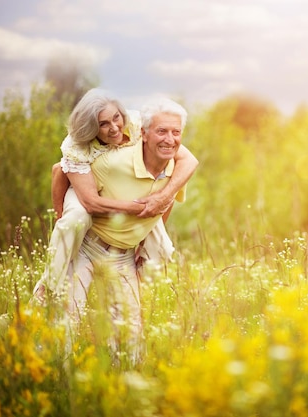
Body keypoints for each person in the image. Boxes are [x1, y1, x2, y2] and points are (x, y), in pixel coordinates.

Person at [33, 89, 198, 300]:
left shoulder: (138, 125)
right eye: (103, 124)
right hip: (83, 188)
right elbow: (61, 174)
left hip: (123, 194)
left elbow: (188, 161)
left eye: (116, 118)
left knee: (163, 247)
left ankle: (135, 280)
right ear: (91, 127)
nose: (113, 128)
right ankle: (48, 285)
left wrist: (160, 201)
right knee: (74, 220)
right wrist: (59, 214)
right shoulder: (77, 146)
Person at [67, 96, 191, 363]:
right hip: (88, 249)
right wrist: (60, 217)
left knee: (130, 340)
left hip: (123, 257)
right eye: (161, 131)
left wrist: (143, 241)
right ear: (143, 134)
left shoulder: (175, 170)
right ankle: (53, 381)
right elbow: (64, 173)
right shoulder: (113, 162)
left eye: (176, 132)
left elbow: (165, 203)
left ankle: (121, 388)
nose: (169, 139)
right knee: (66, 319)